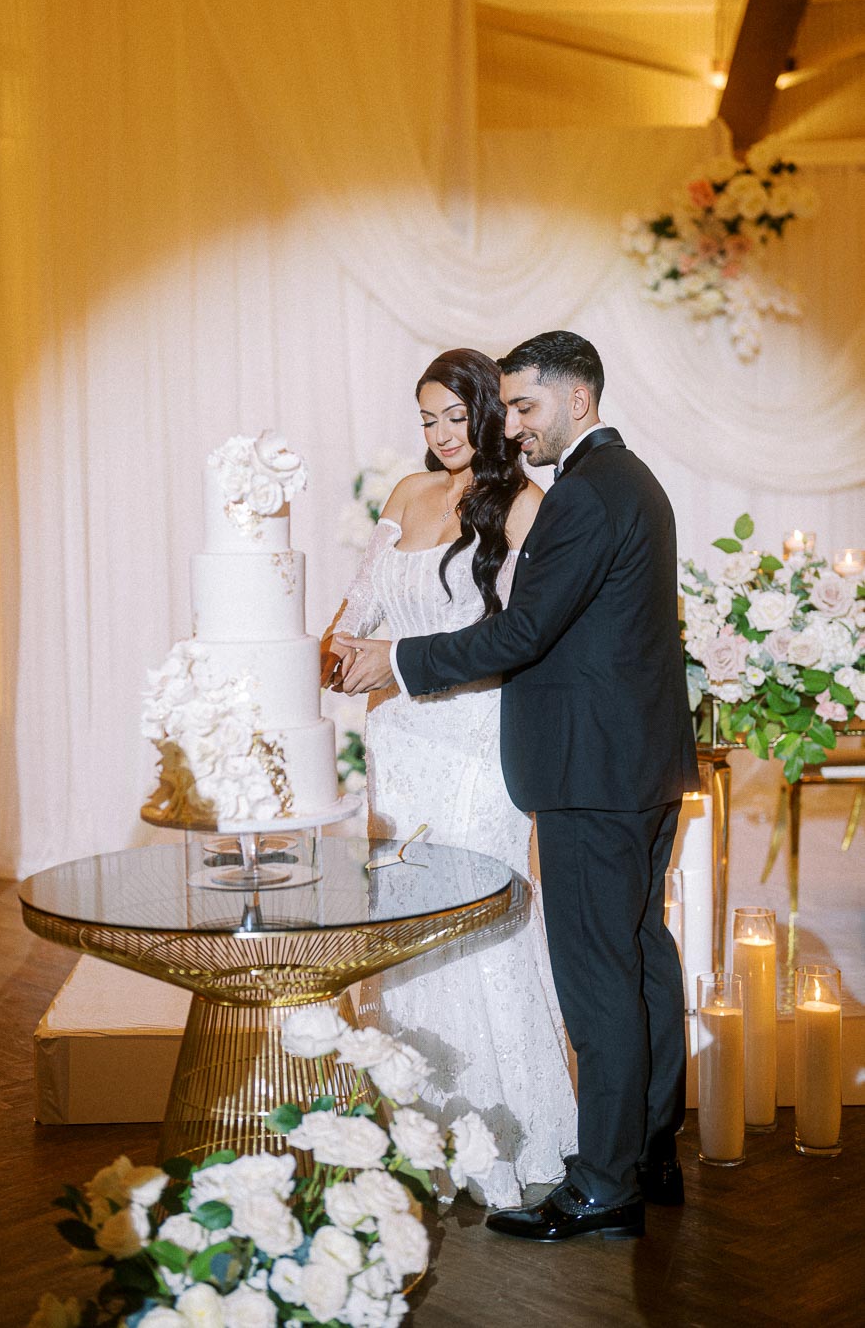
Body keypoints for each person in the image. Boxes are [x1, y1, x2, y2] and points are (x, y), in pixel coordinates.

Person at [337, 330, 699, 1243]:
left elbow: (518, 637)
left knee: (598, 977)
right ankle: (650, 1147)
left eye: (527, 407)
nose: (516, 426)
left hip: (591, 771)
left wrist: (399, 661)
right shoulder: (634, 483)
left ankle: (605, 1186)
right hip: (638, 763)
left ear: (578, 400)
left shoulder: (578, 495)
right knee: (640, 953)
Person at [323, 348, 578, 1209]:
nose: (440, 436)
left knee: (477, 916)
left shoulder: (524, 504)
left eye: (454, 416)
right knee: (408, 923)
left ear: (489, 412)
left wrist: (390, 666)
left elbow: (526, 637)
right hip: (398, 741)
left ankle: (518, 1132)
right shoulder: (405, 495)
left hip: (476, 736)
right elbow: (357, 611)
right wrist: (336, 653)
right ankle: (421, 1128)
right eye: (426, 420)